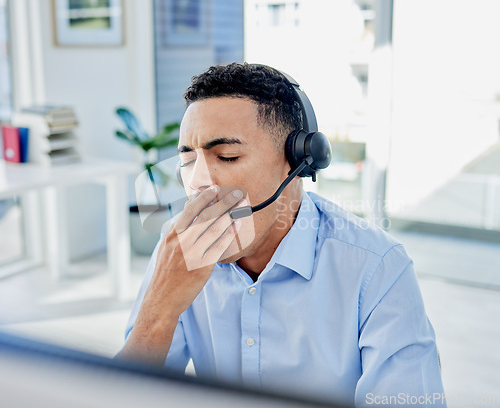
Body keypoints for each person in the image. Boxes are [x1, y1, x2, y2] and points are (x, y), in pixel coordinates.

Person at [117, 63, 446, 407]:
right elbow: (118, 397)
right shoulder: (179, 249)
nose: (198, 182)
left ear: (298, 161)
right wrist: (159, 312)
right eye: (187, 160)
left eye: (226, 156)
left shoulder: (377, 268)